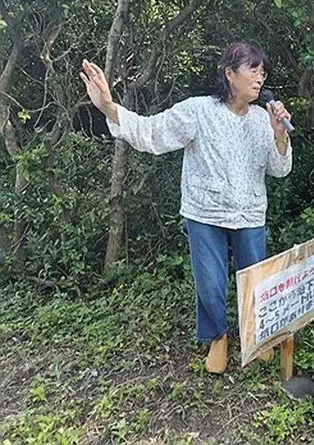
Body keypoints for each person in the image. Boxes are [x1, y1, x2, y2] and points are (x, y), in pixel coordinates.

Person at [80, 42, 292, 374]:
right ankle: (218, 338)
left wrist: (280, 135)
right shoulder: (198, 110)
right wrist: (109, 107)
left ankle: (257, 335)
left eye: (263, 71)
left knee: (256, 278)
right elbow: (152, 133)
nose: (259, 77)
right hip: (204, 213)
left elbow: (279, 170)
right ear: (229, 74)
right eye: (252, 69)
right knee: (209, 280)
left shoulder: (261, 119)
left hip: (250, 212)